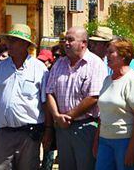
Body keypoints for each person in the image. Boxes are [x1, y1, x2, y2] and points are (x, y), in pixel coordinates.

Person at [0, 24, 51, 169]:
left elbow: (46, 102)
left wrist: (48, 130)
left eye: (13, 41)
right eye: (8, 40)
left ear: (24, 44)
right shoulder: (0, 68)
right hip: (4, 134)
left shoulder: (39, 69)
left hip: (29, 135)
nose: (8, 44)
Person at [46, 26, 107, 170]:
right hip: (62, 128)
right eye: (65, 40)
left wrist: (68, 116)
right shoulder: (59, 63)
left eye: (70, 40)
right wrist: (56, 116)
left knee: (85, 166)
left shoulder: (95, 64)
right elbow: (49, 92)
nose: (66, 43)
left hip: (85, 127)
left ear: (83, 43)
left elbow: (94, 97)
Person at [94, 38, 134, 170]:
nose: (107, 55)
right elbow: (103, 113)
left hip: (126, 140)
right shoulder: (107, 80)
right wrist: (97, 141)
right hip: (105, 140)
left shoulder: (133, 81)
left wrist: (132, 149)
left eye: (111, 52)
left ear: (124, 55)